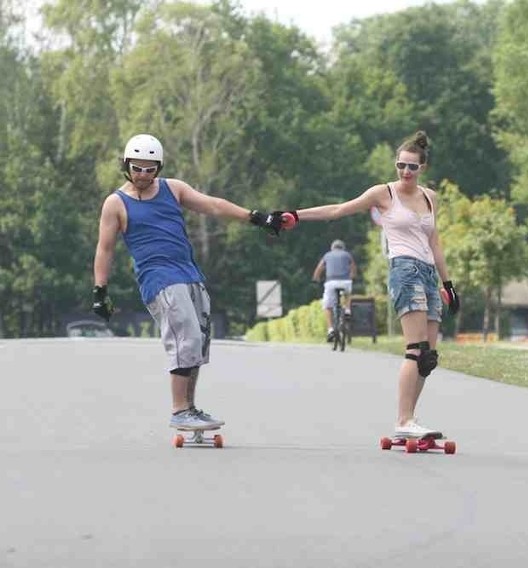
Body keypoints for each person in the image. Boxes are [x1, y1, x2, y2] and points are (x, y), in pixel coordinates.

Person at [91, 134, 295, 430]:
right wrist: (100, 290)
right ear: (126, 165)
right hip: (158, 278)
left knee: (198, 342)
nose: (143, 175)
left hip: (189, 273)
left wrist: (258, 218)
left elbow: (213, 205)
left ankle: (190, 407)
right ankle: (178, 410)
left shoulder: (173, 189)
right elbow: (105, 248)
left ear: (158, 168)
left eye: (150, 169)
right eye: (137, 168)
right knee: (184, 334)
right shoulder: (115, 203)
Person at [285, 130, 460, 438]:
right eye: (400, 166)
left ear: (423, 168)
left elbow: (435, 242)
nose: (405, 172)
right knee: (416, 349)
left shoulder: (431, 198)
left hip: (429, 274)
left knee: (429, 357)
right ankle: (403, 421)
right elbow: (339, 210)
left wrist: (448, 284)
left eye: (412, 167)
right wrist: (297, 216)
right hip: (404, 270)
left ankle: (412, 420)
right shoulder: (384, 194)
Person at [312, 239, 358, 342]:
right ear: (343, 248)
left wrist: (316, 278)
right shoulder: (347, 255)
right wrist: (352, 277)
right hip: (345, 282)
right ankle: (347, 310)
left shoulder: (327, 255)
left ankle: (330, 330)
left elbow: (320, 267)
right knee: (348, 294)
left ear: (332, 248)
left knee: (327, 306)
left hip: (331, 283)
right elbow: (353, 268)